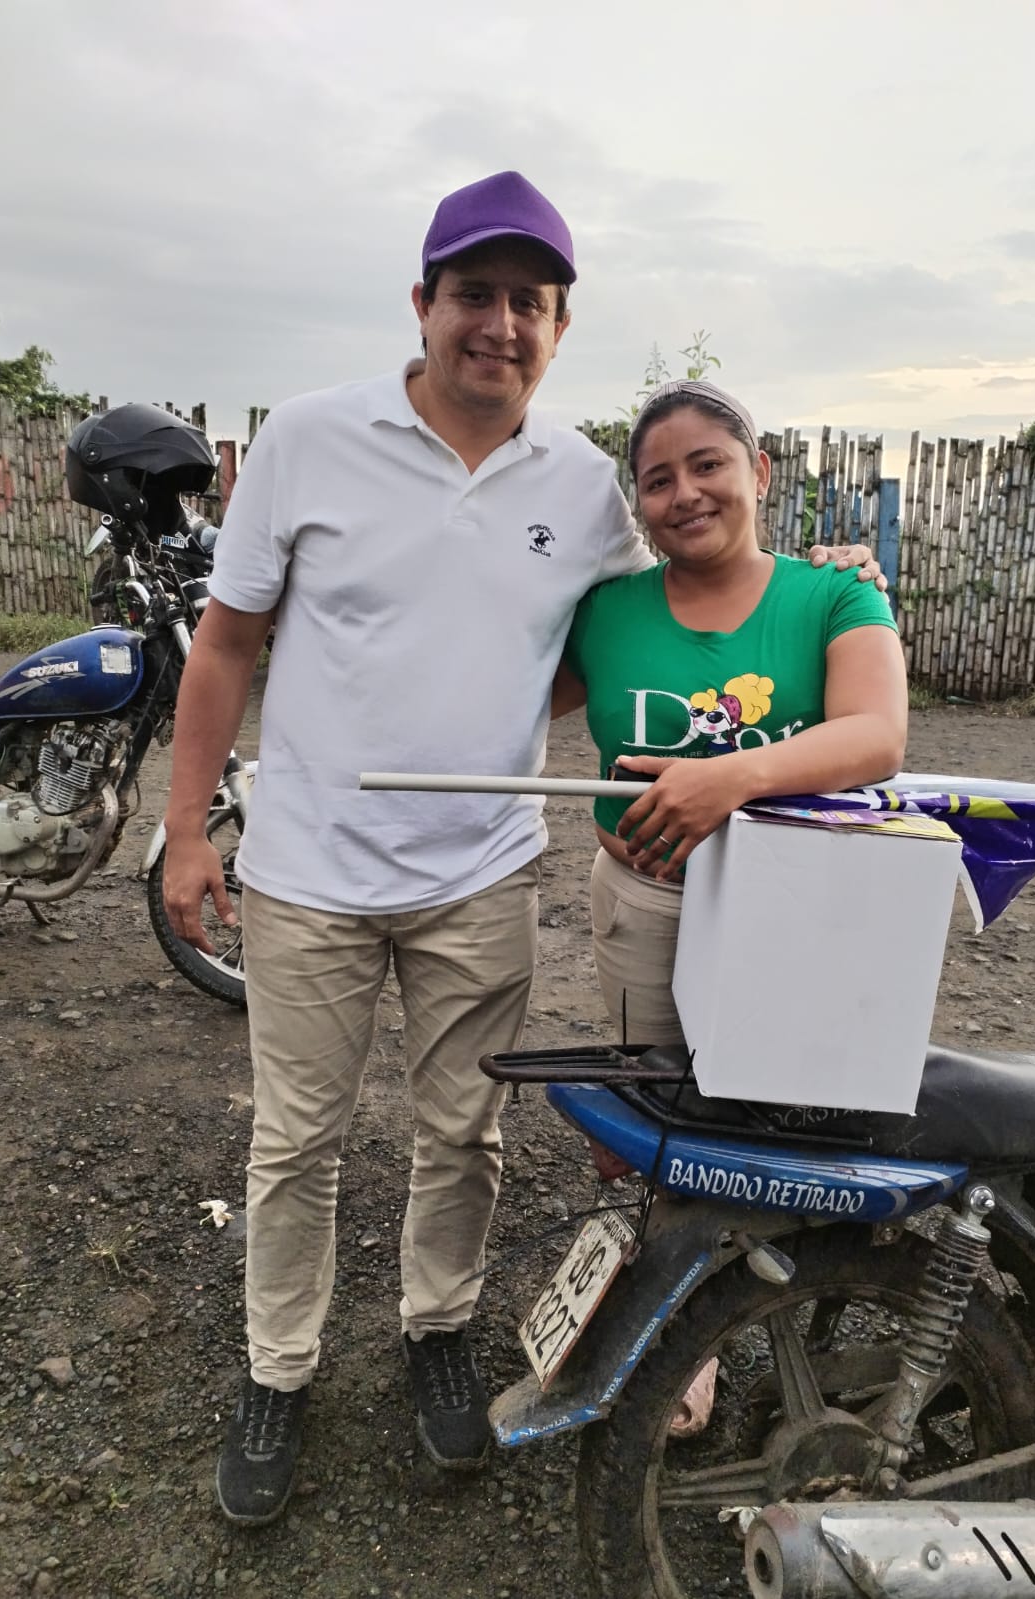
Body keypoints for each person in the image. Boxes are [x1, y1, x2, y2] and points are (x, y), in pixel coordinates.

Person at [161, 172, 883, 1526]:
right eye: (475, 295)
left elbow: (651, 622)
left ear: (559, 327)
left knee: (462, 1130)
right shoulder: (310, 440)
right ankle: (278, 1369)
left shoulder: (584, 485)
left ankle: (438, 1328)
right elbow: (225, 644)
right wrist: (186, 828)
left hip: (480, 871)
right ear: (423, 303)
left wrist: (817, 578)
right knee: (297, 1140)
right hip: (308, 870)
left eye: (530, 303)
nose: (500, 323)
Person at [561, 378, 908, 1048]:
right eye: (659, 481)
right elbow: (509, 694)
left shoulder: (837, 592)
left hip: (798, 897)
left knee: (783, 1087)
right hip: (644, 899)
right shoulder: (604, 612)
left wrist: (729, 778)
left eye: (708, 464)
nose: (685, 493)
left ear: (760, 472)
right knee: (653, 1086)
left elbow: (877, 734)